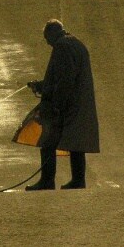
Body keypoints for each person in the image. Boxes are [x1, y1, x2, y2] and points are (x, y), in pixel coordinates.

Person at [25, 19, 100, 191]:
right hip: (78, 102)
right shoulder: (75, 43)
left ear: (52, 33)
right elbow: (63, 76)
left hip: (67, 104)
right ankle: (78, 180)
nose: (47, 43)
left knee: (48, 140)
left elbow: (64, 80)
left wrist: (56, 105)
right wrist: (42, 85)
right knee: (76, 143)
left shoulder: (62, 47)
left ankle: (47, 180)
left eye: (46, 38)